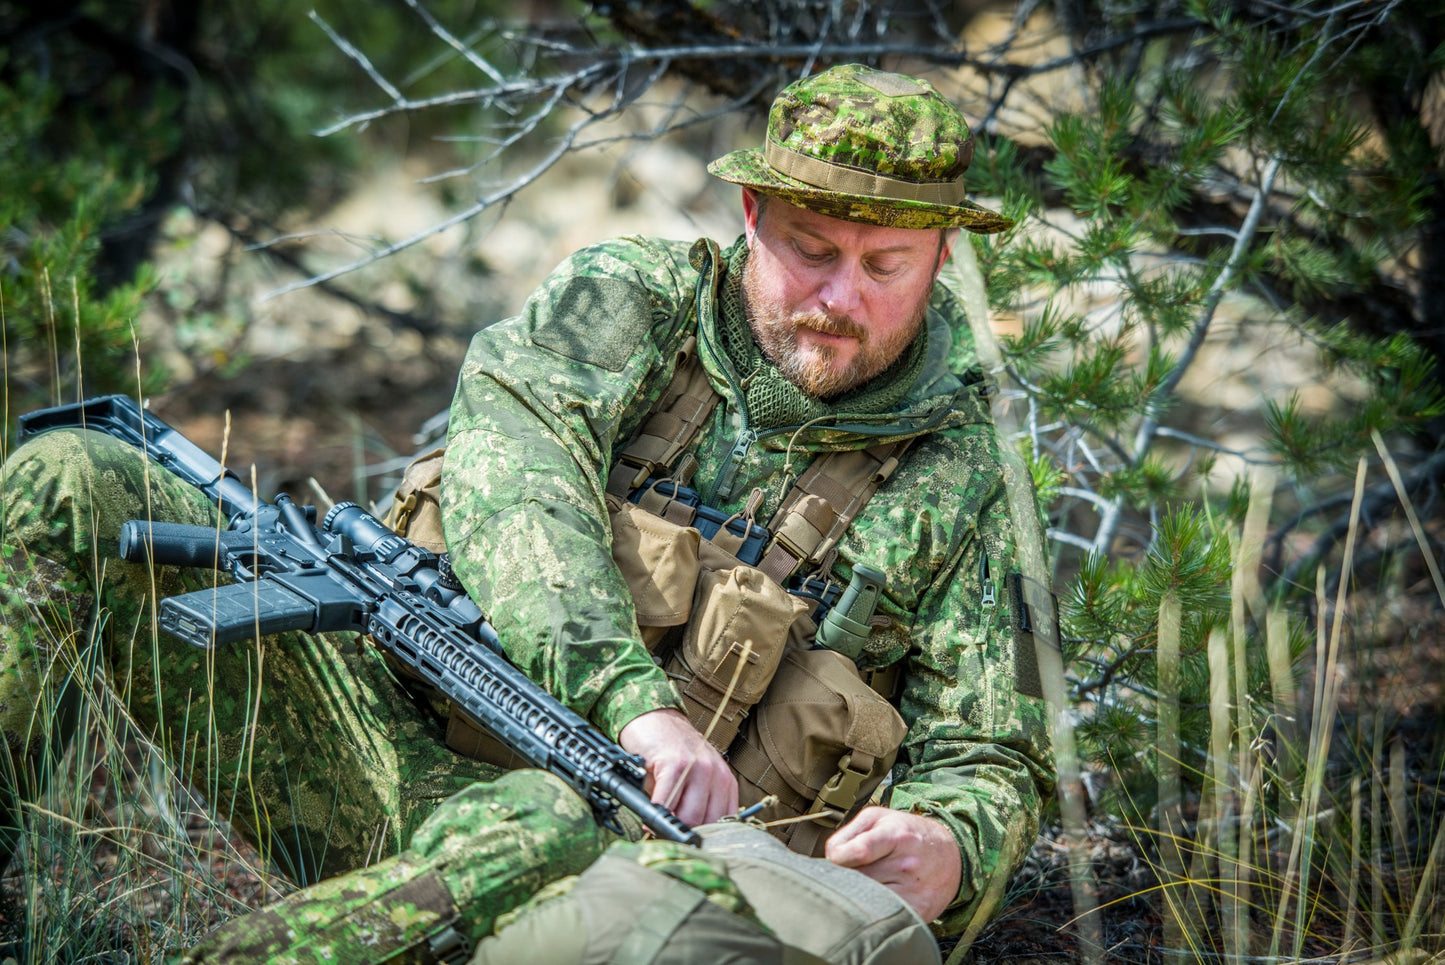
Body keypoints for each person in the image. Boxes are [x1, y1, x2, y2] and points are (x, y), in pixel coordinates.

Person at [0, 64, 1053, 961]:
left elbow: (990, 752)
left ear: (940, 257)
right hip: (376, 750)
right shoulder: (627, 301)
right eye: (811, 248)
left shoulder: (968, 478)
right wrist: (636, 704)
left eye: (885, 267)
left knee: (548, 820)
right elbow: (518, 485)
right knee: (77, 476)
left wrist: (949, 842)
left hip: (640, 884)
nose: (838, 299)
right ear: (751, 216)